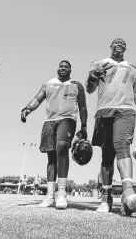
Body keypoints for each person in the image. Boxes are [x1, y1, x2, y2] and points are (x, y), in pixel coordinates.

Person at [86, 38, 136, 216]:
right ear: (111, 46)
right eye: (116, 42)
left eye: (123, 43)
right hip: (104, 110)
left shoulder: (133, 67)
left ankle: (127, 192)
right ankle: (106, 196)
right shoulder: (100, 63)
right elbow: (89, 88)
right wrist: (93, 76)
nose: (120, 44)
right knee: (107, 154)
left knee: (122, 146)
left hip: (126, 110)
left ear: (125, 48)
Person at [21, 60, 88, 209]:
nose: (63, 68)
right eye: (61, 66)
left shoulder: (77, 85)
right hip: (50, 121)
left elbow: (83, 107)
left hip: (68, 118)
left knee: (62, 147)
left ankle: (62, 193)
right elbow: (38, 99)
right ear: (57, 69)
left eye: (66, 66)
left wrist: (84, 126)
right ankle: (50, 195)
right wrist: (27, 109)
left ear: (71, 70)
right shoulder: (48, 84)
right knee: (51, 156)